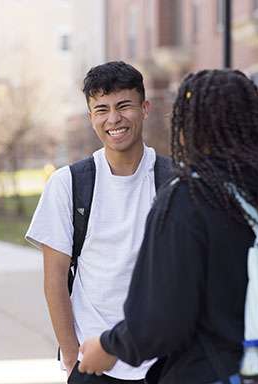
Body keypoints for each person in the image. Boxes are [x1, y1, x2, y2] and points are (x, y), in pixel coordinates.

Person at [76, 69, 258, 383]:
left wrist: (109, 347)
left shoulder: (187, 200)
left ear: (189, 127)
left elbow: (161, 320)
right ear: (255, 120)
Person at [25, 61, 168, 383]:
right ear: (91, 118)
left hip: (162, 362)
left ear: (144, 108)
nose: (113, 119)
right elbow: (55, 278)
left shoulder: (174, 181)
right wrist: (72, 356)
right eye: (101, 110)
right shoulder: (68, 184)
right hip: (93, 363)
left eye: (124, 106)